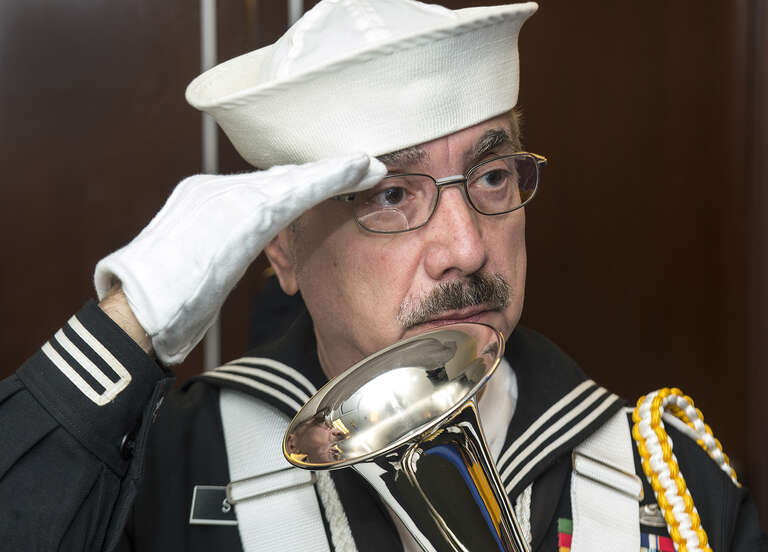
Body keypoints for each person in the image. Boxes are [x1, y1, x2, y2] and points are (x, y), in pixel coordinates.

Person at [1, 1, 765, 551]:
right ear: (282, 248)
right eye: (393, 196)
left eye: (493, 176)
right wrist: (124, 323)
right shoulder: (178, 463)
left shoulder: (664, 482)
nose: (465, 248)